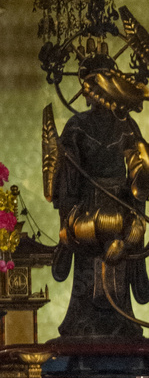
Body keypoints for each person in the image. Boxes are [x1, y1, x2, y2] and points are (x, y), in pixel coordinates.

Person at [43, 38, 149, 340]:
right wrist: (68, 218)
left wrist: (137, 202)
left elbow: (139, 173)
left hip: (122, 205)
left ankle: (121, 324)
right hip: (87, 210)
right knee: (89, 271)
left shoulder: (127, 125)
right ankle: (84, 324)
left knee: (120, 262)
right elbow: (67, 179)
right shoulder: (76, 126)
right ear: (87, 91)